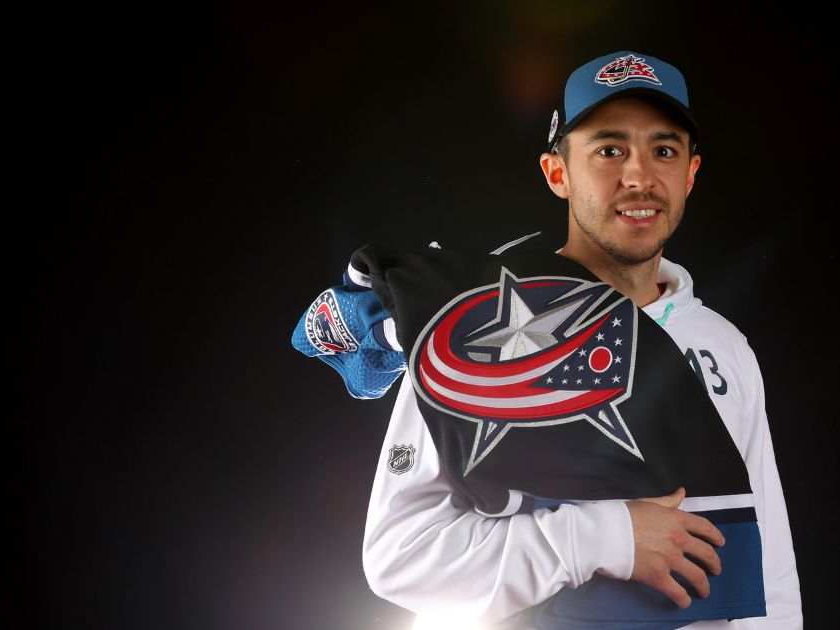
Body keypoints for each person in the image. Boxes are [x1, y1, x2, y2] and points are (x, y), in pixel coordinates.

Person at [334, 51, 801, 628]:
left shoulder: (724, 347)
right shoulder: (476, 323)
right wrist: (605, 538)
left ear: (690, 174)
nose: (638, 176)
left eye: (663, 150)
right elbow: (401, 557)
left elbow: (768, 566)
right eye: (609, 150)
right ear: (558, 173)